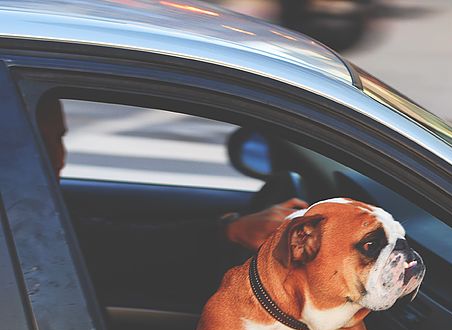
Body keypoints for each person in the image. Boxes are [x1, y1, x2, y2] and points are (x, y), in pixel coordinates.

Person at [36, 94, 307, 310]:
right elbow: (105, 249)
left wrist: (229, 229)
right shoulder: (23, 223)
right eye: (45, 141)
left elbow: (100, 240)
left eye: (61, 139)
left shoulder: (31, 217)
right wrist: (231, 231)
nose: (60, 158)